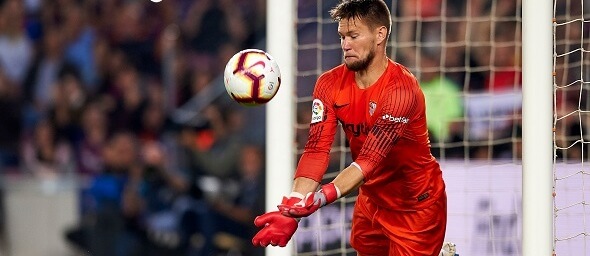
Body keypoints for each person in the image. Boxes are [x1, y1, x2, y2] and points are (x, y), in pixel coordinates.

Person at [252, 0, 449, 255]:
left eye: (354, 36)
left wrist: (320, 198)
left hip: (415, 207)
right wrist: (294, 205)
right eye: (342, 36)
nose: (345, 44)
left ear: (380, 34)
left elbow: (368, 161)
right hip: (371, 201)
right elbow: (316, 150)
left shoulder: (402, 89)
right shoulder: (329, 84)